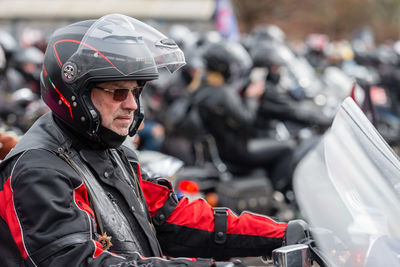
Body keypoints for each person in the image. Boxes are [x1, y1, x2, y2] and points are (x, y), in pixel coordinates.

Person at [0, 14, 303, 267]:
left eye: (136, 91)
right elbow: (80, 261)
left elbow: (172, 217)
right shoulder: (38, 170)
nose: (131, 104)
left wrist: (282, 233)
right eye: (118, 92)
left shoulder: (110, 150)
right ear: (74, 93)